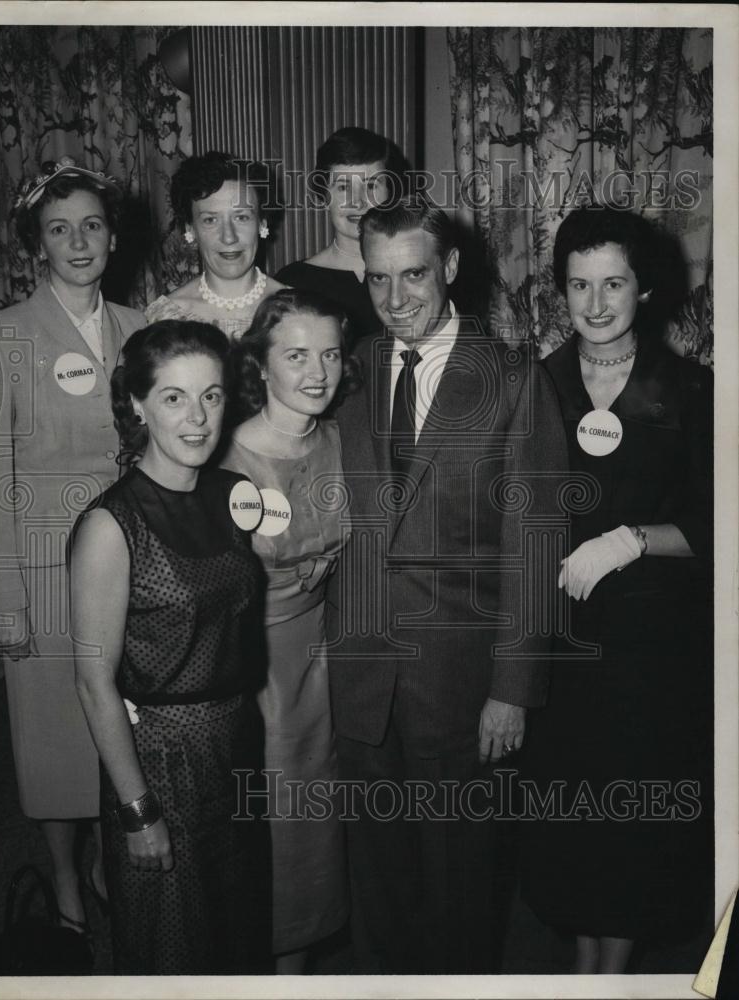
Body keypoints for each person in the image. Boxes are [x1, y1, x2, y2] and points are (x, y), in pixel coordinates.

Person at [325, 195, 568, 973]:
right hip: (359, 672)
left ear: (451, 268)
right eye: (376, 280)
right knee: (377, 878)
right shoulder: (348, 368)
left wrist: (513, 688)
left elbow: (535, 544)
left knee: (460, 879)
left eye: (413, 277)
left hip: (462, 684)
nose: (394, 301)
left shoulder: (511, 378)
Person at [520, 205, 714, 974]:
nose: (594, 305)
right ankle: (586, 974)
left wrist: (632, 539)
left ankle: (610, 979)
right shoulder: (535, 385)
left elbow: (721, 523)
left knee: (632, 827)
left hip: (650, 650)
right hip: (560, 652)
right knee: (574, 828)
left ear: (643, 289)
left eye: (612, 284)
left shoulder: (689, 391)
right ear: (558, 291)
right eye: (578, 285)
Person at [69, 320, 270, 973]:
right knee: (172, 949)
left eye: (210, 396)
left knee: (239, 935)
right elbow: (93, 683)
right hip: (160, 762)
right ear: (135, 403)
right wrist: (135, 812)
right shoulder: (111, 525)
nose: (197, 417)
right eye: (174, 397)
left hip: (235, 745)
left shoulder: (231, 495)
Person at [0, 157, 145, 934]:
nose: (77, 241)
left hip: (133, 564)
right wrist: (3, 603)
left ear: (112, 237)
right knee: (51, 743)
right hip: (44, 575)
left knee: (124, 723)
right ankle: (64, 877)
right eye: (58, 229)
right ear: (36, 246)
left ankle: (116, 865)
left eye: (91, 225)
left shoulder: (141, 329)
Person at [221, 289, 359, 972]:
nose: (317, 373)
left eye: (330, 354)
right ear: (261, 364)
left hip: (323, 659)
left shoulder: (338, 438)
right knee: (266, 827)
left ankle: (293, 975)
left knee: (314, 830)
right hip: (253, 671)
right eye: (296, 355)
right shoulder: (227, 462)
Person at [275, 126, 406, 340]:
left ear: (391, 193)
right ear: (324, 196)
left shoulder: (416, 276)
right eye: (343, 188)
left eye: (372, 185)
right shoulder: (292, 284)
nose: (358, 201)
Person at [145, 151, 284, 341]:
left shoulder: (295, 310)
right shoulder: (167, 318)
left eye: (241, 217)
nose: (229, 237)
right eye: (210, 220)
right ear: (191, 229)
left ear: (262, 223)